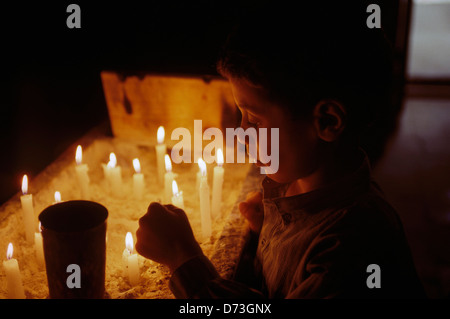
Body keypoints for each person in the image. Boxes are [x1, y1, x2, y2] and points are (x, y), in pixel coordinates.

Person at [135, 2, 426, 298]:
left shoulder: (352, 246)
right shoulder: (293, 191)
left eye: (254, 119)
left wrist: (183, 259)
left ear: (327, 121)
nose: (242, 132)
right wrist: (270, 236)